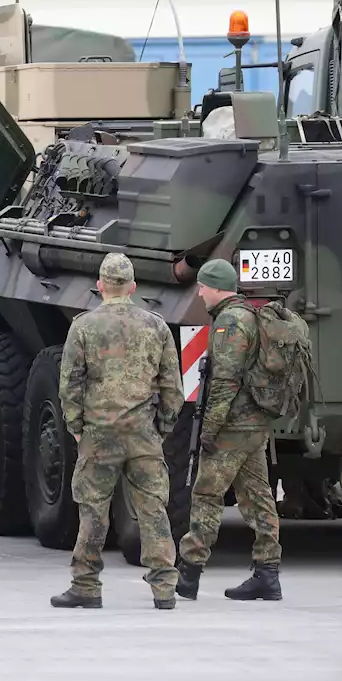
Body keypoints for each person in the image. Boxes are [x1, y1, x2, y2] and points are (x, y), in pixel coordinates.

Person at [51, 252, 184, 610]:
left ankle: (86, 585)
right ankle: (164, 588)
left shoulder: (83, 327)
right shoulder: (156, 326)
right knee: (153, 509)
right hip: (143, 434)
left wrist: (76, 426)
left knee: (93, 510)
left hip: (99, 435)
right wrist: (164, 427)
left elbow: (70, 384)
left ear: (100, 286)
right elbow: (173, 387)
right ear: (134, 287)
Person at [176, 258, 283, 601]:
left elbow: (224, 381)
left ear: (216, 286)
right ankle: (268, 574)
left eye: (203, 286)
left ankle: (188, 574)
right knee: (257, 496)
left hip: (234, 426)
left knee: (207, 494)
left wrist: (209, 429)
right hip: (253, 425)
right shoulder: (246, 314)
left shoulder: (230, 321)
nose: (200, 292)